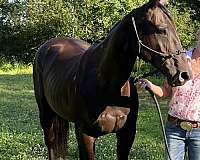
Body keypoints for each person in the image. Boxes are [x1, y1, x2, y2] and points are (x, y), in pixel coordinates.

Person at [139, 29, 200, 160]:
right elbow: (165, 92)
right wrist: (150, 85)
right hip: (174, 129)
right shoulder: (181, 61)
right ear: (198, 36)